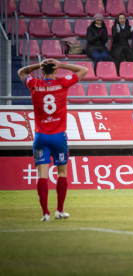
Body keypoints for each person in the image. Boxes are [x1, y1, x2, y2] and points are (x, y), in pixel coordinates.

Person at [17, 59, 88, 222]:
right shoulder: (62, 83)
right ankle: (60, 211)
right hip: (58, 137)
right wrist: (61, 64)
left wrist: (37, 65)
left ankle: (45, 214)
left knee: (41, 175)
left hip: (41, 137)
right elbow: (83, 70)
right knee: (62, 173)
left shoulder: (34, 84)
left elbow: (21, 72)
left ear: (43, 72)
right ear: (55, 71)